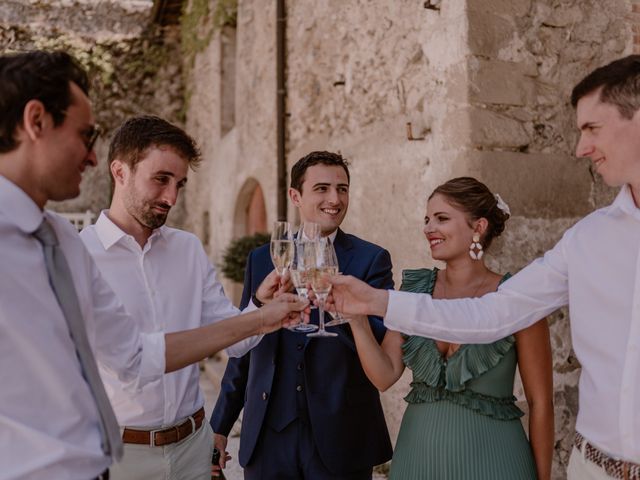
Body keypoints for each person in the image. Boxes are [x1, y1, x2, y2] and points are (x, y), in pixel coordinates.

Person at [330, 55, 640, 480]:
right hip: (592, 469)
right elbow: (492, 314)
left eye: (592, 129)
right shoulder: (586, 240)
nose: (580, 148)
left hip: (495, 458)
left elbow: (540, 401)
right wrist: (373, 303)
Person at [0, 50, 305, 480]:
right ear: (36, 122)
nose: (90, 158)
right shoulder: (80, 247)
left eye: (179, 184)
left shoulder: (62, 241)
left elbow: (136, 355)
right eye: (86, 136)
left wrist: (258, 314)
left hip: (181, 448)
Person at [79, 115, 286, 480]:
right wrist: (258, 318)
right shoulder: (79, 257)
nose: (171, 197)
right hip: (119, 457)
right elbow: (133, 360)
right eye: (161, 179)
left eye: (180, 184)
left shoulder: (187, 248)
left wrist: (259, 306)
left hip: (193, 447)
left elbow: (233, 339)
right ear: (120, 171)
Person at [348, 177, 553, 479]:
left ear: (478, 227)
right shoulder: (415, 291)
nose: (428, 228)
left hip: (496, 462)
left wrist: (544, 477)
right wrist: (357, 316)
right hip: (417, 459)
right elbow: (384, 375)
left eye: (441, 219)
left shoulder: (517, 299)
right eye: (427, 219)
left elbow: (541, 404)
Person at [210, 151, 394, 479]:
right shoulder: (263, 260)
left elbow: (380, 349)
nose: (335, 199)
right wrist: (220, 425)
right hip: (268, 435)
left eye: (342, 188)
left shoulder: (371, 260)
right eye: (322, 188)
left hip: (341, 436)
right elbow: (245, 347)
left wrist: (346, 312)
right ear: (296, 196)